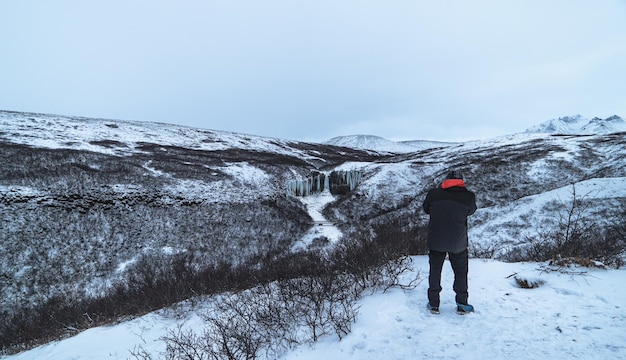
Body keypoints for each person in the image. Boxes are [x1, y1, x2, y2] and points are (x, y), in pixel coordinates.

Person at [422, 170, 477, 314]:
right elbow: (471, 211)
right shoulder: (469, 196)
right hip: (458, 241)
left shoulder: (434, 194)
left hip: (436, 239)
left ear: (445, 181)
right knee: (460, 272)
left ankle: (434, 304)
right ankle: (462, 303)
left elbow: (426, 209)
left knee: (435, 270)